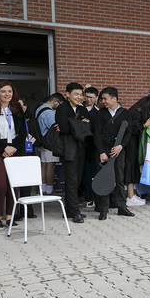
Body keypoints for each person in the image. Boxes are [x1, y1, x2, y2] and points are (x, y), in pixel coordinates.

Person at [94, 87, 135, 220]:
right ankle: (103, 209)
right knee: (105, 179)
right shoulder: (100, 114)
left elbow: (128, 132)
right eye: (102, 99)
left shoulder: (125, 113)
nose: (103, 101)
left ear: (114, 99)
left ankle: (122, 207)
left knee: (119, 179)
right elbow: (97, 134)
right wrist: (101, 152)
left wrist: (120, 146)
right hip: (104, 151)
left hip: (118, 151)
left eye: (105, 98)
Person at [56, 82, 91, 223]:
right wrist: (80, 124)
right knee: (71, 180)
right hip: (68, 149)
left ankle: (70, 210)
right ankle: (75, 212)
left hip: (81, 148)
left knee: (76, 180)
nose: (79, 97)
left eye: (81, 94)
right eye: (76, 94)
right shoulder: (62, 109)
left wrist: (75, 124)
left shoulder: (82, 109)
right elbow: (64, 128)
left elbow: (88, 127)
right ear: (67, 95)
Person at [0, 81, 26, 230]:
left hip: (15, 148)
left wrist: (13, 147)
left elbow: (23, 133)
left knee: (13, 185)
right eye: (3, 91)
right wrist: (3, 147)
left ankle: (10, 217)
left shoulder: (17, 108)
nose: (7, 94)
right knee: (0, 185)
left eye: (10, 91)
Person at [124, 97, 150, 207]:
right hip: (130, 145)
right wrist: (145, 125)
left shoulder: (133, 112)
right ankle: (130, 197)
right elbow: (132, 130)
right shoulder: (136, 114)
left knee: (132, 168)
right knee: (131, 168)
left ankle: (131, 195)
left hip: (130, 145)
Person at [35, 93, 64, 194]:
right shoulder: (50, 113)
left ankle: (42, 188)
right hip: (50, 143)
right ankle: (49, 189)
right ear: (55, 101)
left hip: (42, 142)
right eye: (60, 104)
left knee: (43, 165)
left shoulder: (39, 109)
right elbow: (55, 127)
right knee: (50, 166)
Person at [15, 96, 37, 220]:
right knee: (16, 185)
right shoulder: (12, 120)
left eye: (23, 105)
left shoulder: (31, 121)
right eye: (18, 105)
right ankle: (16, 212)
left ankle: (27, 211)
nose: (21, 108)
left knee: (27, 185)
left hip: (29, 154)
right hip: (15, 154)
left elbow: (39, 138)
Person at [81, 86, 99, 208]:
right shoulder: (79, 110)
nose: (88, 99)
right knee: (84, 174)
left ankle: (96, 198)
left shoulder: (98, 113)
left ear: (96, 98)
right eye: (86, 97)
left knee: (94, 174)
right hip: (81, 146)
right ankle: (88, 198)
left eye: (91, 97)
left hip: (93, 147)